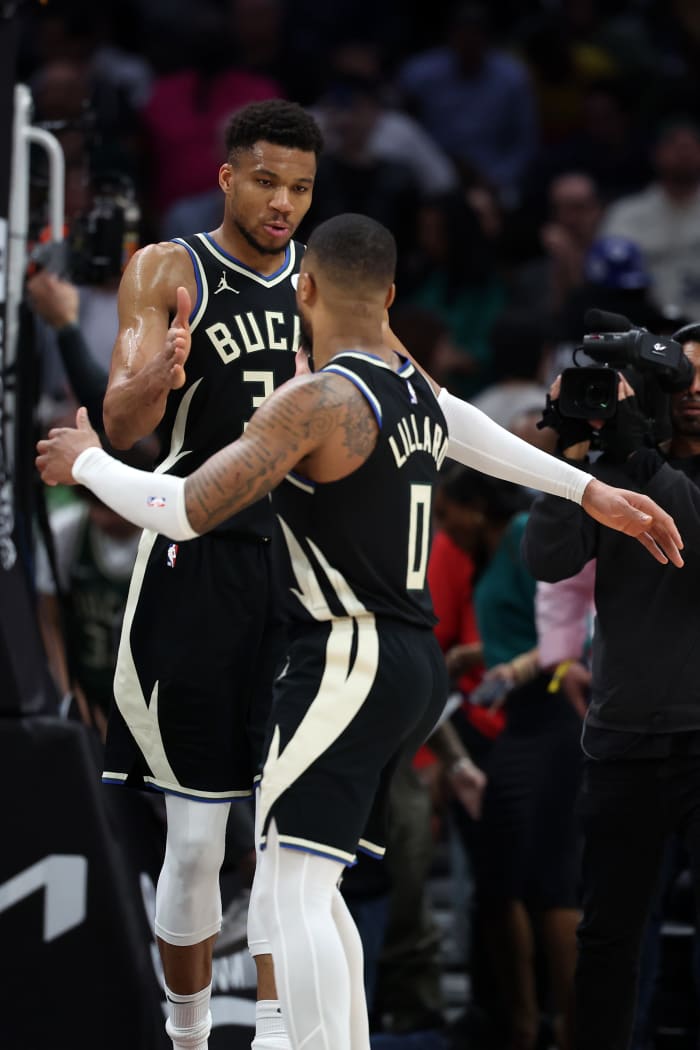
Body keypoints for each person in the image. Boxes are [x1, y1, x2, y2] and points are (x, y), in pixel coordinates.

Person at [39, 214, 684, 1050]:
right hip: (410, 663)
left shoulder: (315, 400)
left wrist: (87, 461)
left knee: (288, 897)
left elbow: (187, 509)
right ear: (387, 296)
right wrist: (588, 492)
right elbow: (479, 437)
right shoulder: (411, 388)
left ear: (303, 290)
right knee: (313, 886)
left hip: (344, 652)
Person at [78, 98, 323, 1050]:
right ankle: (183, 1038)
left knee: (284, 838)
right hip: (194, 556)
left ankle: (268, 1035)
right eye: (266, 181)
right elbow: (122, 427)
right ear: (227, 176)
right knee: (195, 837)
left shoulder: (324, 281)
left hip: (300, 568)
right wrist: (162, 374)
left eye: (300, 188)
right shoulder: (169, 269)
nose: (283, 204)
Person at [520, 324, 700, 1050]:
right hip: (623, 734)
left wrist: (636, 462)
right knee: (605, 940)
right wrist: (567, 464)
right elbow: (548, 558)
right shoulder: (620, 467)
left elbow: (688, 543)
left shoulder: (642, 469)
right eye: (686, 375)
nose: (696, 390)